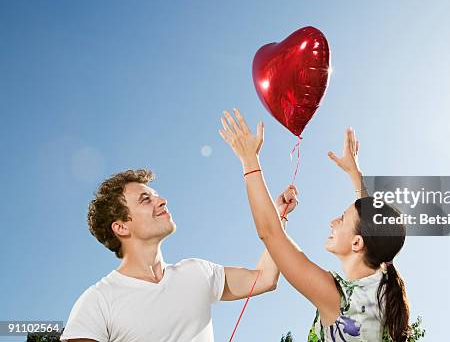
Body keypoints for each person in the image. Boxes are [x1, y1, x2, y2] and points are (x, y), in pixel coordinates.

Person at [219, 109, 411, 341]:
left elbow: (270, 234)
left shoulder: (342, 302)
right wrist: (355, 174)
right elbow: (377, 230)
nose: (333, 222)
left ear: (357, 243)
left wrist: (249, 160)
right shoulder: (380, 287)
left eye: (341, 219)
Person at [61, 168, 298, 342]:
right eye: (146, 200)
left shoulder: (196, 272)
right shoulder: (97, 302)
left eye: (156, 195)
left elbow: (265, 278)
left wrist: (279, 216)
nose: (162, 201)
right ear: (121, 227)